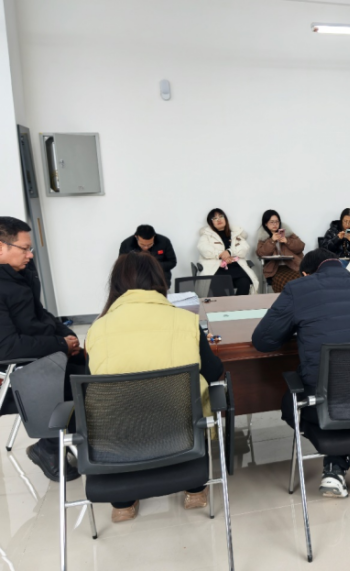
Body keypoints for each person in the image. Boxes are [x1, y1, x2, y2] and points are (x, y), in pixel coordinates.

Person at [252, 248, 350, 498]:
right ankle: (344, 461)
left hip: (324, 407)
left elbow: (264, 341)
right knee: (344, 393)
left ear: (305, 273)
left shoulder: (297, 289)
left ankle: (337, 464)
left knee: (292, 401)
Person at [86, 252, 224, 523]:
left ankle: (123, 503)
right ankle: (195, 490)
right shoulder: (185, 321)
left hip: (118, 436)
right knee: (196, 403)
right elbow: (212, 371)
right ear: (159, 280)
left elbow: (95, 383)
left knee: (122, 409)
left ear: (116, 285)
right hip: (181, 432)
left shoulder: (97, 329)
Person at [0, 216, 83, 482]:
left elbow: (40, 314)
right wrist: (59, 346)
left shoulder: (21, 274)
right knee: (78, 382)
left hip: (42, 352)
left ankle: (70, 441)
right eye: (25, 249)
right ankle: (48, 448)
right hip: (15, 367)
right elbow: (7, 348)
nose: (30, 254)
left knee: (88, 367)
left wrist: (66, 336)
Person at [197, 208, 259, 295]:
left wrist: (230, 252)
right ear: (211, 222)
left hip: (236, 267)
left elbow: (245, 248)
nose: (219, 220)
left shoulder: (236, 234)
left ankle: (238, 303)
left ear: (225, 218)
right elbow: (203, 248)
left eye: (221, 216)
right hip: (217, 269)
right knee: (217, 286)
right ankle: (225, 303)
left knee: (245, 283)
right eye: (215, 218)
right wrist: (221, 255)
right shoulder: (206, 236)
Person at [256, 210, 305, 293]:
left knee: (301, 280)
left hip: (293, 266)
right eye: (272, 222)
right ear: (266, 223)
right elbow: (260, 253)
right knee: (284, 282)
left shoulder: (288, 234)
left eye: (277, 222)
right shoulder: (263, 237)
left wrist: (287, 241)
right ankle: (287, 300)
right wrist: (272, 241)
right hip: (275, 269)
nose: (275, 224)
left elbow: (301, 246)